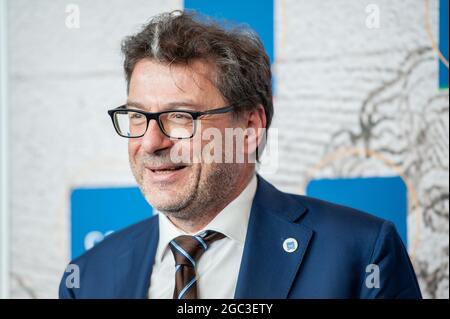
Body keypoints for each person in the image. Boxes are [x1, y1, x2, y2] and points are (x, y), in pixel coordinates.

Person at [59, 10, 421, 299]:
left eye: (181, 117)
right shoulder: (88, 278)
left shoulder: (362, 254)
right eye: (138, 116)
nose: (152, 142)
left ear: (249, 127)